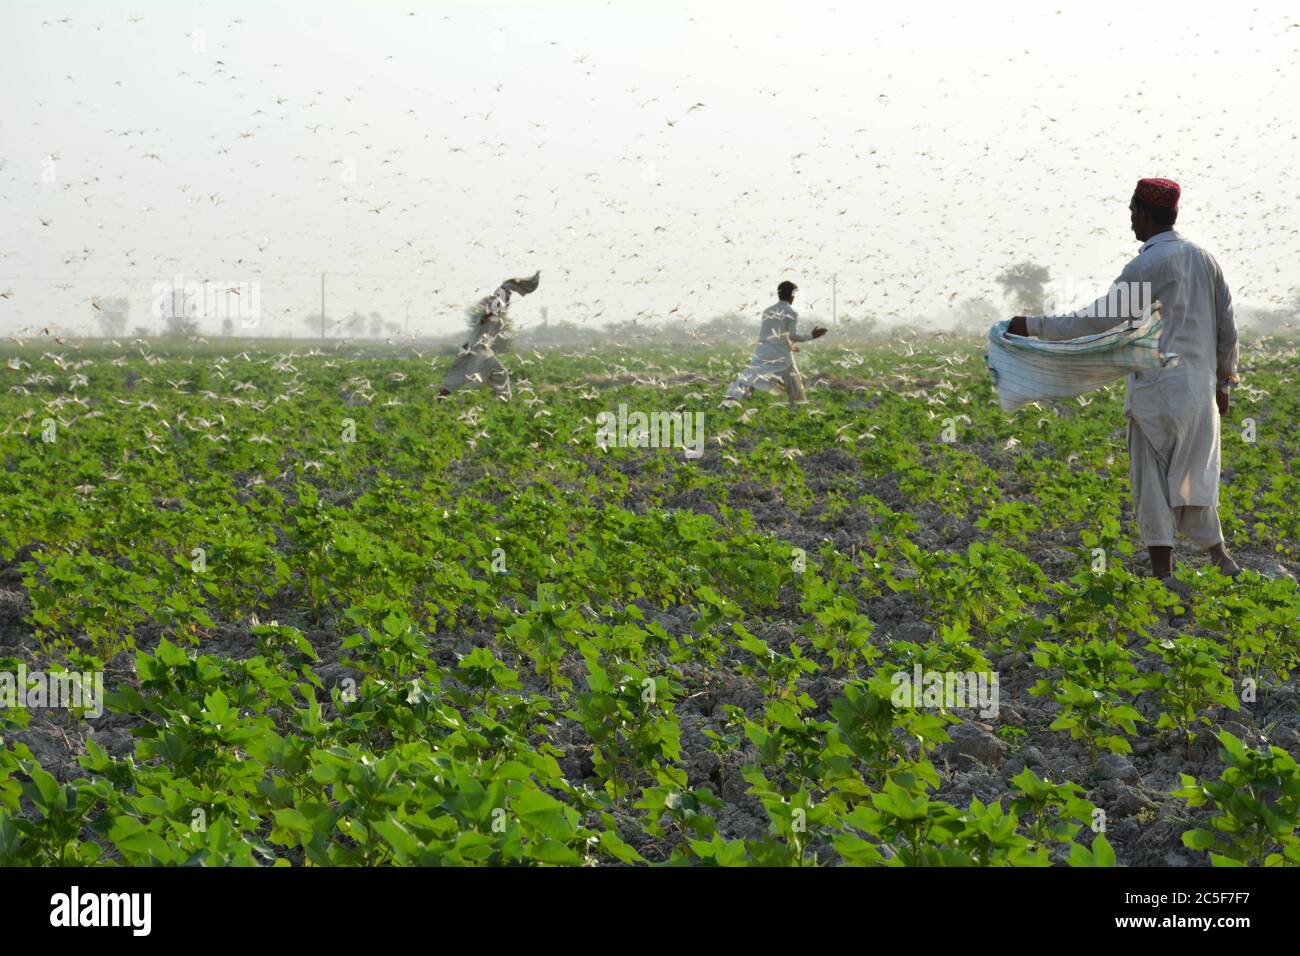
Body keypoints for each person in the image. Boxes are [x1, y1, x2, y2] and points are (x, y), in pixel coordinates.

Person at [1007, 178, 1240, 597]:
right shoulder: (1206, 260)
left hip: (1156, 391)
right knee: (1194, 476)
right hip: (1200, 394)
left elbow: (1095, 320)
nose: (1131, 220)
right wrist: (1224, 383)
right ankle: (1222, 560)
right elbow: (1227, 327)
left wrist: (1033, 326)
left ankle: (1164, 575)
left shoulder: (1145, 267)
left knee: (1151, 480)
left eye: (1133, 212)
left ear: (1146, 214)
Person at [438, 272, 539, 400]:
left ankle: (506, 402)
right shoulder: (486, 314)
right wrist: (505, 289)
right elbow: (493, 308)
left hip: (482, 349)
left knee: (500, 374)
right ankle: (450, 400)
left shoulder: (496, 318)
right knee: (470, 379)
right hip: (479, 350)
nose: (507, 304)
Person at [725, 280, 827, 407]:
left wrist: (790, 345)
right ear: (792, 296)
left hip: (763, 352)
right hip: (781, 356)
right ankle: (796, 408)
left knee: (749, 377)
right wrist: (812, 336)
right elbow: (792, 335)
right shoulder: (791, 312)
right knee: (794, 384)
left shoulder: (767, 311)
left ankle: (731, 400)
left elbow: (773, 334)